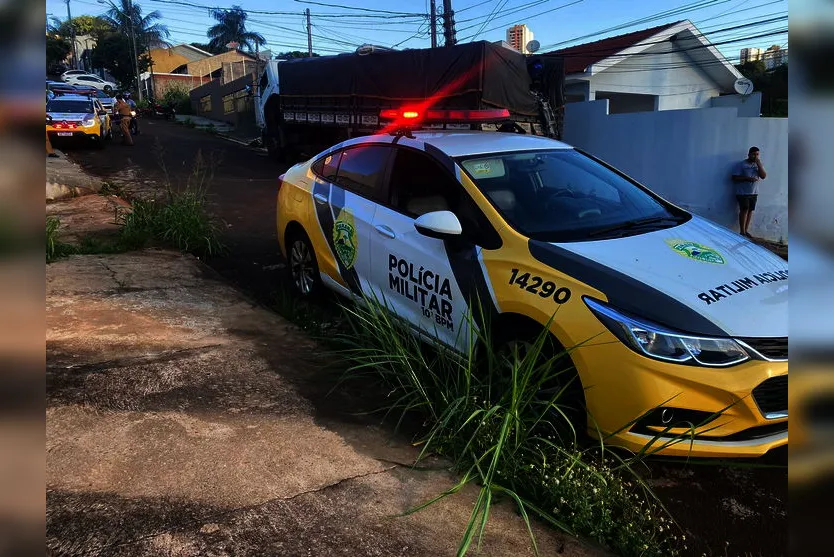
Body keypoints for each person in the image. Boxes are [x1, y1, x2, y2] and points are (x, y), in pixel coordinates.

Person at [731, 146, 767, 238]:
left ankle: (746, 230)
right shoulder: (741, 164)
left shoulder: (758, 165)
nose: (755, 156)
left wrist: (759, 164)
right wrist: (747, 178)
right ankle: (742, 231)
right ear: (749, 154)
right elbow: (734, 177)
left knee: (750, 210)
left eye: (757, 154)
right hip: (742, 192)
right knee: (744, 209)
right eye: (754, 154)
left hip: (754, 192)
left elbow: (763, 176)